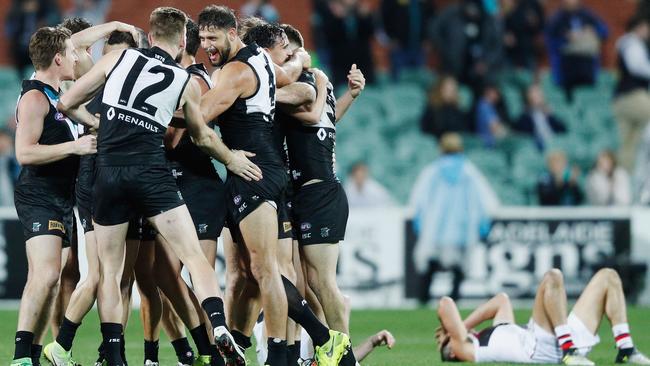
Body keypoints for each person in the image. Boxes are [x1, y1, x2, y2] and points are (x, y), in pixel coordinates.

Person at [58, 7, 262, 366]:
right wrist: (231, 159)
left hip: (108, 173)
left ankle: (116, 356)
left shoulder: (119, 58)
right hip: (152, 174)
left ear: (150, 37)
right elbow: (201, 137)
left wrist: (99, 126)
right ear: (184, 41)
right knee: (194, 257)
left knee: (109, 270)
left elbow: (67, 102)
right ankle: (217, 327)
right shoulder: (184, 81)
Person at [197, 6, 351, 366]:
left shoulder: (238, 71)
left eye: (212, 38)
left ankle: (314, 343)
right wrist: (299, 63)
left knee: (265, 272)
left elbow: (200, 117)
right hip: (272, 173)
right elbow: (291, 77)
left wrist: (153, 114)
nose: (207, 45)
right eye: (202, 39)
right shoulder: (266, 66)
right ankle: (262, 348)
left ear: (234, 34)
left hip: (252, 171)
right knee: (261, 273)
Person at [10, 26, 96, 366]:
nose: (77, 57)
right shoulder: (35, 97)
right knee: (44, 275)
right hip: (39, 194)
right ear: (57, 58)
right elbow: (25, 154)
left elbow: (83, 45)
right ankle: (20, 358)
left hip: (63, 197)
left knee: (54, 277)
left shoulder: (58, 94)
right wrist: (75, 146)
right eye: (72, 53)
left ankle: (32, 352)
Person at [436, 268, 650, 365]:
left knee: (608, 276)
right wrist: (449, 334)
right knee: (552, 277)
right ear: (453, 353)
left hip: (556, 335)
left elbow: (501, 300)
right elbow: (445, 304)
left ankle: (626, 350)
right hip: (540, 347)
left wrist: (461, 326)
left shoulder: (493, 334)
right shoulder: (466, 350)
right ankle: (570, 352)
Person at [408, 133, 498, 305]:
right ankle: (453, 301)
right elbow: (484, 200)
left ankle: (423, 299)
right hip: (461, 230)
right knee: (459, 266)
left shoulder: (432, 171)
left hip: (436, 230)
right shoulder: (469, 172)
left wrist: (418, 220)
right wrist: (483, 223)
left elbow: (419, 198)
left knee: (431, 262)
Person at [429, 0, 503, 94]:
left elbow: (496, 44)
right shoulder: (452, 12)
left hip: (478, 71)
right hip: (454, 66)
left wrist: (486, 62)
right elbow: (433, 28)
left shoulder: (487, 15)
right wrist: (444, 49)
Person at [545, 0, 608, 101]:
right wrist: (567, 38)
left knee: (591, 99)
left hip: (587, 66)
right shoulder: (556, 19)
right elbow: (549, 41)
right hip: (567, 68)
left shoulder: (587, 15)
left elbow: (604, 31)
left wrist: (591, 31)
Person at [613, 16, 650, 172]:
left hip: (621, 99)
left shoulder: (626, 43)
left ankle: (626, 177)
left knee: (629, 143)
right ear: (639, 27)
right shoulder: (632, 43)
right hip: (631, 95)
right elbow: (637, 67)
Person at [317, 0, 376, 87]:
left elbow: (369, 33)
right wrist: (337, 19)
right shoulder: (332, 11)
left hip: (362, 62)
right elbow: (328, 36)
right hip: (340, 64)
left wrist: (365, 18)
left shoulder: (361, 11)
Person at [380, 0, 435, 79]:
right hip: (399, 47)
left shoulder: (425, 2)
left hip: (420, 48)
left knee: (419, 78)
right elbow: (383, 19)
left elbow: (431, 18)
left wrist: (428, 38)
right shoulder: (391, 2)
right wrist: (389, 39)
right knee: (398, 79)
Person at [513, 84, 567, 151]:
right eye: (535, 94)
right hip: (539, 147)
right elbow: (524, 135)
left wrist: (551, 115)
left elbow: (563, 129)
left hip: (555, 143)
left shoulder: (548, 113)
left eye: (539, 94)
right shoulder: (524, 117)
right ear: (528, 97)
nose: (539, 96)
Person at [501, 0, 545, 71]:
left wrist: (535, 23)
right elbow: (505, 25)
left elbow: (541, 26)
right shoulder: (510, 4)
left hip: (529, 50)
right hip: (511, 52)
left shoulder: (533, 4)